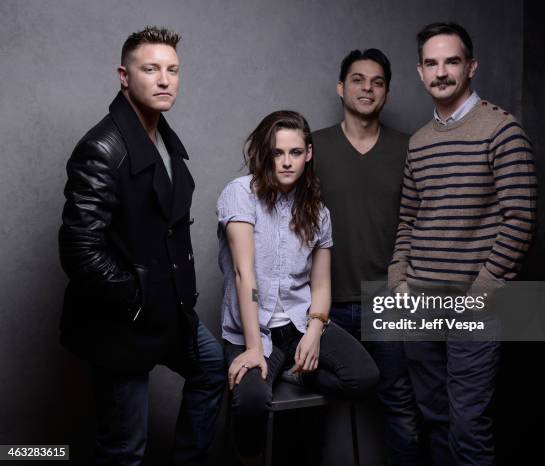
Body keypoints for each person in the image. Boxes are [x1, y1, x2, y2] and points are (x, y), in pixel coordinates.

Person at [58, 26, 225, 465]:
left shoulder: (163, 138)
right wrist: (137, 298)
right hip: (122, 324)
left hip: (166, 314)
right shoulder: (102, 147)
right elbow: (79, 250)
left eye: (172, 70)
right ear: (124, 76)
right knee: (125, 449)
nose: (165, 80)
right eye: (150, 69)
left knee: (212, 368)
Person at [388, 22, 537, 465]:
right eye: (431, 63)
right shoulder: (418, 143)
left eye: (451, 61)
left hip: (474, 307)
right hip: (420, 305)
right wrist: (399, 282)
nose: (441, 72)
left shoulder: (501, 130)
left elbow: (521, 218)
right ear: (419, 72)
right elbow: (409, 219)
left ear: (471, 66)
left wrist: (481, 293)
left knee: (469, 427)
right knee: (433, 419)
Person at [216, 110, 379, 465]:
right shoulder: (240, 194)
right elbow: (246, 275)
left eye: (295, 152)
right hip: (253, 330)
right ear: (264, 153)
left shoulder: (318, 212)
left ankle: (297, 375)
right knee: (252, 401)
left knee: (364, 377)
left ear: (308, 154)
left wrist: (315, 331)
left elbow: (321, 284)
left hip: (300, 323)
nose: (286, 162)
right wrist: (255, 347)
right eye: (277, 153)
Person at [313, 49, 421, 465]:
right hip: (324, 304)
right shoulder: (313, 147)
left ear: (387, 94)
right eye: (357, 79)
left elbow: (425, 219)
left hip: (389, 298)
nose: (367, 88)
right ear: (341, 88)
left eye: (377, 82)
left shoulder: (409, 148)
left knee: (399, 405)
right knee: (312, 409)